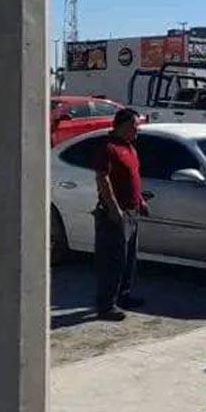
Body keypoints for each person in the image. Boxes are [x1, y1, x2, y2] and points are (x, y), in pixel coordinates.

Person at [94, 108, 148, 321]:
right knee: (112, 261)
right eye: (135, 126)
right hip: (115, 214)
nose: (137, 130)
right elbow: (102, 179)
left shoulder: (130, 148)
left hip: (132, 211)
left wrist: (141, 201)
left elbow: (133, 177)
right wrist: (113, 208)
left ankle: (123, 296)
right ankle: (106, 306)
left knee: (128, 259)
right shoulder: (108, 148)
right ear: (123, 126)